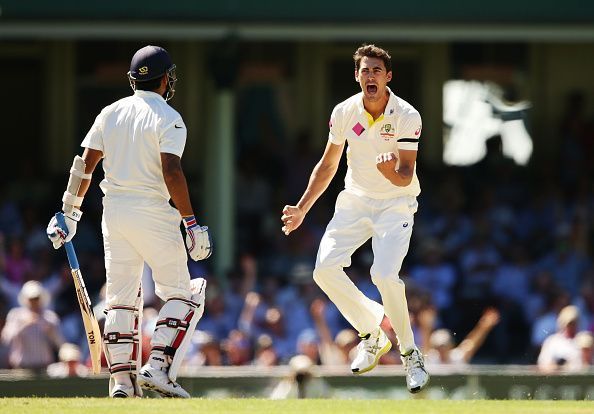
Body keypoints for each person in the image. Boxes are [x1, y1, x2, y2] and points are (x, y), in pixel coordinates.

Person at [46, 45, 212, 398]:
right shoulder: (169, 117)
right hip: (152, 212)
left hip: (114, 213)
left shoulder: (110, 112)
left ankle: (122, 382)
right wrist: (192, 223)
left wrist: (69, 212)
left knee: (121, 298)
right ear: (166, 78)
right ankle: (158, 367)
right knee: (184, 294)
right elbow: (171, 169)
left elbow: (85, 164)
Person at [281, 44, 429, 393]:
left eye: (377, 71)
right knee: (323, 270)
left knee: (384, 275)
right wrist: (303, 207)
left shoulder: (407, 115)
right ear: (357, 76)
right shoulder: (344, 112)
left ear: (388, 76)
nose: (370, 76)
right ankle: (373, 334)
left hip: (396, 203)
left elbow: (406, 175)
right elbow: (329, 164)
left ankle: (411, 354)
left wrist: (389, 173)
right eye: (365, 71)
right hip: (355, 201)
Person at [1, 280, 64, 370]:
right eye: (31, 298)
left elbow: (60, 344)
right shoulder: (15, 316)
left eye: (36, 298)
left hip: (44, 368)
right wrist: (24, 325)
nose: (34, 301)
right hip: (21, 368)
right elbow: (6, 339)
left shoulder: (49, 317)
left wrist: (50, 330)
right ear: (25, 298)